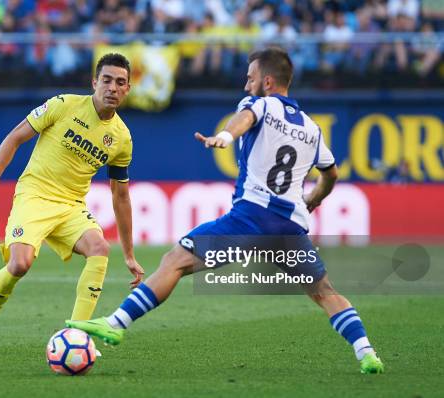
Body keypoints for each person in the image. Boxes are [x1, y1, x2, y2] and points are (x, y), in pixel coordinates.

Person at [67, 47, 385, 374]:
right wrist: (315, 199)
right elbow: (331, 174)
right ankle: (367, 353)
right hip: (291, 227)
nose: (247, 86)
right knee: (324, 292)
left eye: (251, 79)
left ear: (268, 81)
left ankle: (117, 322)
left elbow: (245, 117)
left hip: (251, 219)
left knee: (174, 261)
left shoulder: (260, 104)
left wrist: (224, 135)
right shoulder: (312, 129)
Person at [0, 53, 145, 353]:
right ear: (94, 82)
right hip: (34, 195)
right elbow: (15, 137)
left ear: (127, 89)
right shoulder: (64, 105)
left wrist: (130, 254)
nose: (112, 87)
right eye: (106, 80)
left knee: (99, 248)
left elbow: (120, 196)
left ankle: (78, 336)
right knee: (19, 265)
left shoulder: (122, 138)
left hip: (70, 205)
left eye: (120, 82)